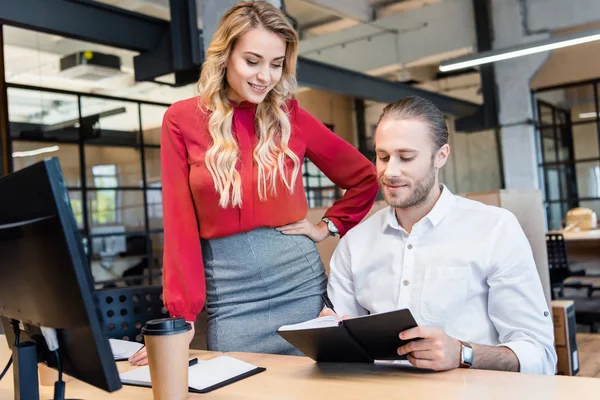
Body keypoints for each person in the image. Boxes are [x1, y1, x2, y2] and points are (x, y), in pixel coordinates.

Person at [129, 1, 378, 365]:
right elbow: (179, 224)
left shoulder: (290, 116)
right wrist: (179, 319)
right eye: (252, 61)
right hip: (232, 300)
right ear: (225, 56)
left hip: (301, 290)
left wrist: (328, 226)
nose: (265, 76)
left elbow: (364, 178)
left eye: (276, 64)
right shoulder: (181, 120)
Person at [321, 96, 557, 375]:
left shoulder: (495, 229)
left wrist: (462, 353)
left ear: (441, 156)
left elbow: (540, 356)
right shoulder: (355, 243)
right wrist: (330, 336)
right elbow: (341, 348)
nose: (390, 171)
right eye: (383, 156)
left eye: (406, 157)